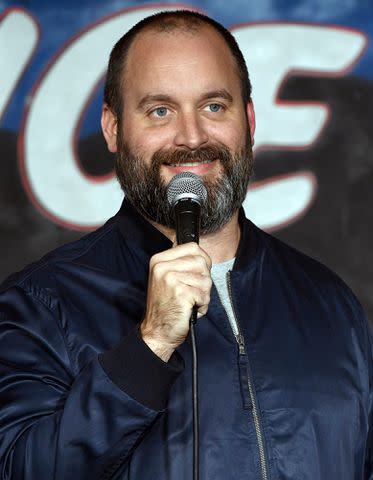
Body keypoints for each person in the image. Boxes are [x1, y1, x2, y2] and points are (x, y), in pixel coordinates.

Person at [0, 9, 372, 480]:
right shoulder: (40, 306)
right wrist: (149, 346)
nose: (192, 137)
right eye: (160, 111)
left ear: (250, 120)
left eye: (214, 106)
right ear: (114, 130)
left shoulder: (330, 305)